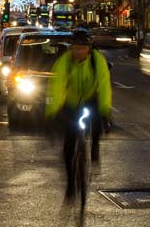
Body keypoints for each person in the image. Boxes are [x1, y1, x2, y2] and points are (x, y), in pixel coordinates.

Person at [46, 29, 112, 202]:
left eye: (82, 48)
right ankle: (70, 183)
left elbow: (104, 85)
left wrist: (105, 111)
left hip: (91, 98)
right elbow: (57, 86)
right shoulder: (64, 62)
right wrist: (53, 112)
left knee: (97, 119)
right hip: (72, 102)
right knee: (69, 145)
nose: (78, 52)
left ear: (89, 49)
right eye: (75, 48)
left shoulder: (97, 61)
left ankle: (95, 147)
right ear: (71, 48)